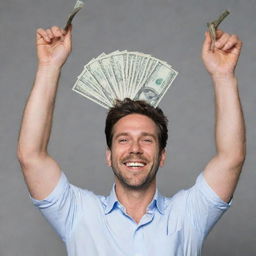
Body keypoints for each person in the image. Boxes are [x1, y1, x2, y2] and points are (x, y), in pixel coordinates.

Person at [17, 24, 245, 256]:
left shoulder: (187, 215)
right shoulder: (78, 213)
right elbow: (31, 157)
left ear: (162, 155)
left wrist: (223, 75)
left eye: (146, 140)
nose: (135, 149)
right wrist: (48, 67)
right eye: (123, 140)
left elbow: (231, 158)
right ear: (109, 155)